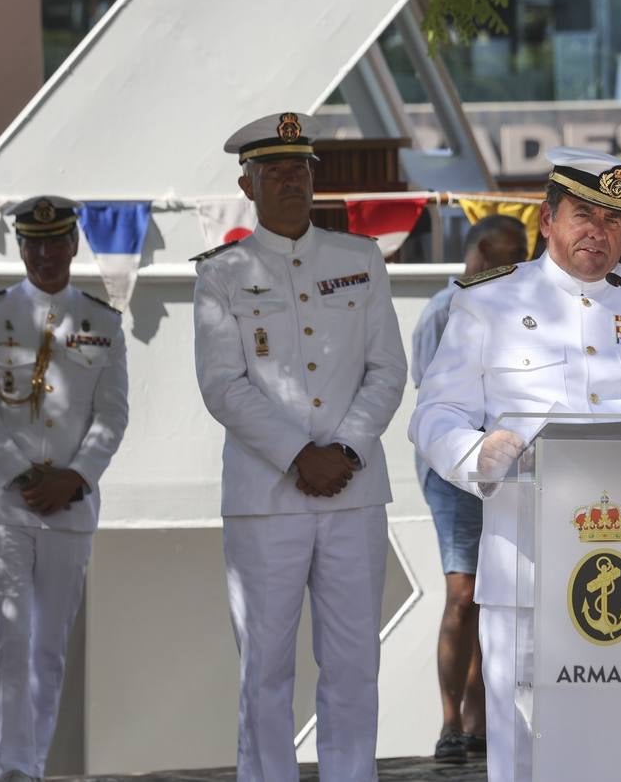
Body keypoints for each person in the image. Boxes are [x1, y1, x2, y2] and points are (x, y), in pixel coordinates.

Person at [409, 146, 621, 782]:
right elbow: (433, 415)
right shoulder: (489, 303)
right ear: (546, 219)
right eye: (584, 214)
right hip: (528, 568)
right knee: (527, 757)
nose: (598, 232)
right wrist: (477, 453)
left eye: (615, 221)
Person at [193, 112, 407, 782]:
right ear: (247, 184)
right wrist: (298, 454)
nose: (290, 180)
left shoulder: (359, 259)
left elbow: (387, 370)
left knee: (352, 661)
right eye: (274, 170)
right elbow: (223, 386)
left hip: (352, 490)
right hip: (267, 496)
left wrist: (342, 449)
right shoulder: (223, 272)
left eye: (299, 168)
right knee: (266, 664)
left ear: (314, 177)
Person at [0, 196, 129, 782]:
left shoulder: (102, 321)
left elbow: (113, 414)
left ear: (75, 244)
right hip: (3, 504)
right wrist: (27, 478)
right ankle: (12, 771)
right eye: (35, 243)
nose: (48, 254)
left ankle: (31, 764)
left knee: (48, 646)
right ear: (21, 247)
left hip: (70, 504)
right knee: (8, 636)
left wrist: (75, 477)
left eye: (58, 242)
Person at [410, 214, 528, 764]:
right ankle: (450, 719)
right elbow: (437, 406)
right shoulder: (443, 311)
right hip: (457, 472)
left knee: (496, 594)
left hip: (512, 469)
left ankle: (482, 720)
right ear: (481, 252)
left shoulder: (517, 311)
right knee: (462, 597)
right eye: (513, 253)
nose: (522, 265)